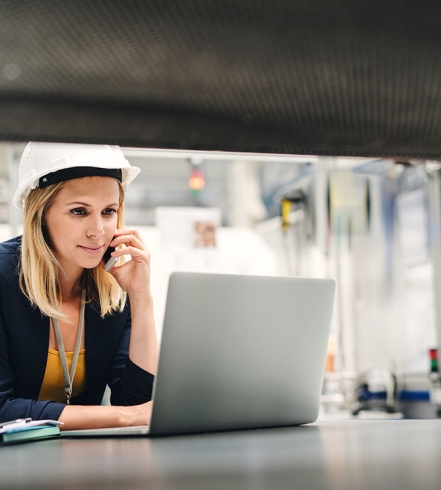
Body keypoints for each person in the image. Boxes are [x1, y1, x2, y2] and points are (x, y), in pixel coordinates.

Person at [0, 142, 159, 430]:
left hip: (82, 462)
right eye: (79, 212)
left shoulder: (113, 286)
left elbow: (137, 400)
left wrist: (140, 295)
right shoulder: (3, 278)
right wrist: (125, 417)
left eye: (109, 211)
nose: (97, 231)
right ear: (41, 214)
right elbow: (2, 409)